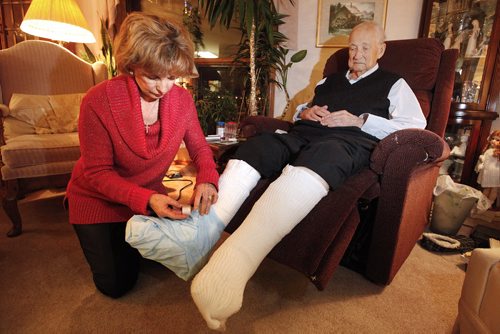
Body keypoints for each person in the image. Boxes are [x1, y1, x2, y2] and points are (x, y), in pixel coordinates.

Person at [126, 21, 426, 329]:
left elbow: (417, 126)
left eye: (365, 48)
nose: (357, 54)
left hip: (346, 142)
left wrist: (361, 120)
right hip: (305, 134)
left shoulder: (394, 84)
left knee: (326, 154)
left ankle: (235, 264)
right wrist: (303, 114)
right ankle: (197, 236)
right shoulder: (330, 81)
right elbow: (302, 110)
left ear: (381, 50)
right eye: (352, 47)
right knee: (261, 146)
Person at [66, 12, 219, 299]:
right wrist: (146, 200)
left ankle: (137, 237)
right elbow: (97, 174)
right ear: (132, 65)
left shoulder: (182, 100)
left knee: (164, 258)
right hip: (97, 198)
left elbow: (199, 148)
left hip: (149, 195)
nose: (163, 87)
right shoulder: (97, 101)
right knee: (116, 285)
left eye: (172, 77)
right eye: (153, 77)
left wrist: (208, 180)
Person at [475, 130, 500, 209]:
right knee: (493, 189)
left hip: (490, 172)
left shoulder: (490, 151)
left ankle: (485, 203)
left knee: (489, 189)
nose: (493, 141)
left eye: (497, 140)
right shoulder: (491, 151)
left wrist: (482, 158)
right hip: (495, 173)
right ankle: (488, 204)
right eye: (493, 138)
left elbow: (485, 161)